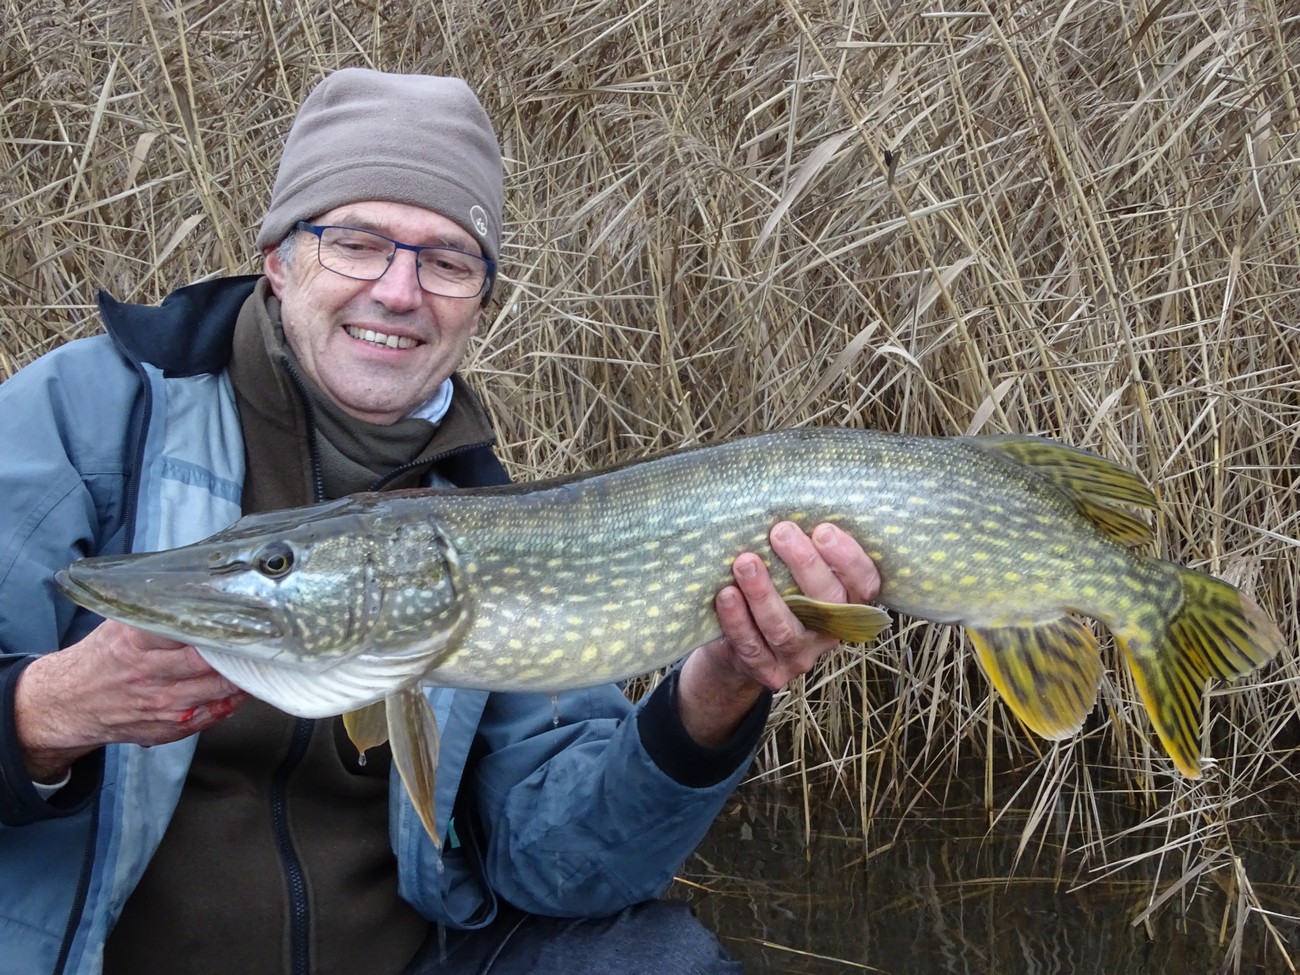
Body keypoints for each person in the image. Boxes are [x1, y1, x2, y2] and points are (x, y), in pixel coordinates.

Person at [0, 68, 879, 975]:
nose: (399, 289)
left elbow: (565, 863)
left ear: (478, 303)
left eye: (448, 261)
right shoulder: (78, 424)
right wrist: (42, 714)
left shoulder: (490, 521)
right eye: (357, 242)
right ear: (277, 256)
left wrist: (718, 690)